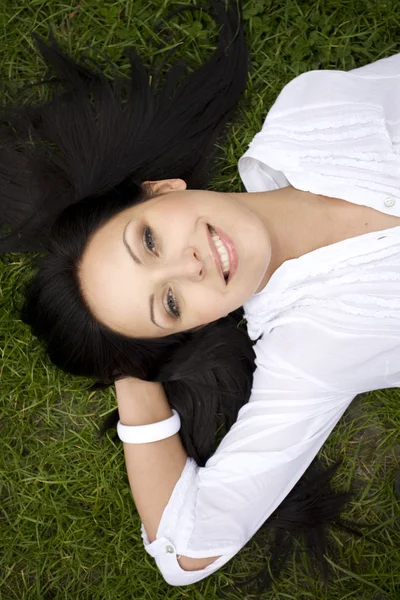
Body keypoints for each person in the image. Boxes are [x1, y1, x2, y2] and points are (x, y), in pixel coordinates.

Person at [1, 0, 399, 593]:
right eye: (169, 304)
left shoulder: (310, 115)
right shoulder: (307, 356)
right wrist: (128, 366)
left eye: (150, 239)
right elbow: (186, 550)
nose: (189, 266)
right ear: (194, 326)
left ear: (160, 189)